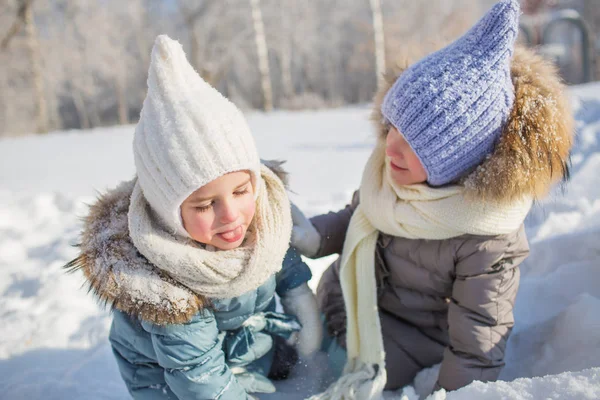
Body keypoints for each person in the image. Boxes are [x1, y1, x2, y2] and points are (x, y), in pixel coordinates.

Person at [291, 0, 573, 398]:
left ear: (456, 159)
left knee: (320, 378)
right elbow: (359, 216)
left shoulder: (486, 236)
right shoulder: (392, 177)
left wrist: (453, 393)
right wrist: (312, 236)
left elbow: (478, 341)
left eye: (414, 144)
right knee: (285, 341)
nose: (391, 148)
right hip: (345, 302)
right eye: (392, 128)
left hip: (405, 343)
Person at [66, 35, 322, 399]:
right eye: (204, 205)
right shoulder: (167, 286)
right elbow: (200, 381)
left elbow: (281, 258)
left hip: (240, 344)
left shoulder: (259, 218)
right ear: (169, 214)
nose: (231, 215)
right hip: (171, 379)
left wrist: (300, 299)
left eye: (240, 191)